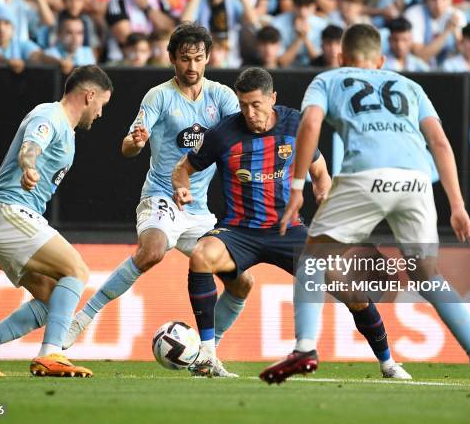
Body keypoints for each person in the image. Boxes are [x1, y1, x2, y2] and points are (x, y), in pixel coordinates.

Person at [260, 24, 470, 391]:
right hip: (416, 181)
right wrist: (457, 204)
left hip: (365, 177)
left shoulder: (329, 79)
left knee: (312, 259)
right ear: (382, 60)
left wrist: (297, 187)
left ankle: (305, 348)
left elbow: (309, 123)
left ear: (342, 58)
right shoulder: (410, 86)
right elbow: (439, 141)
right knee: (428, 277)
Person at [171, 67, 412, 380]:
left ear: (273, 98)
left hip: (289, 231)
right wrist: (181, 186)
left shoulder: (296, 124)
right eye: (243, 105)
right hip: (239, 232)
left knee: (352, 291)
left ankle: (388, 362)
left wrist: (323, 189)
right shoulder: (222, 134)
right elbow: (182, 168)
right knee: (202, 256)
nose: (249, 112)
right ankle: (207, 355)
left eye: (256, 104)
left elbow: (320, 170)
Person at [62, 24, 241, 374]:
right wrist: (137, 142)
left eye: (199, 59)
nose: (192, 66)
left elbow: (237, 142)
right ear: (172, 58)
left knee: (242, 282)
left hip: (199, 210)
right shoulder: (158, 96)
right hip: (161, 197)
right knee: (153, 251)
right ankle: (83, 317)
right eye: (185, 59)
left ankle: (207, 354)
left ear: (208, 59)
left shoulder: (221, 97)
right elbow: (128, 146)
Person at [0, 65, 113, 377]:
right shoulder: (50, 115)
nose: (100, 114)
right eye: (102, 105)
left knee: (53, 297)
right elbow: (30, 148)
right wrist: (28, 165)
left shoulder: (67, 132)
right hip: (8, 211)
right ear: (90, 95)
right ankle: (51, 354)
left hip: (3, 218)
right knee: (77, 269)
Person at [404, 0, 466, 68]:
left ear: (450, 0)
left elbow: (464, 53)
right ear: (425, 0)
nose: (438, 3)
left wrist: (456, 33)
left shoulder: (457, 16)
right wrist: (447, 31)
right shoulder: (413, 14)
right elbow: (420, 57)